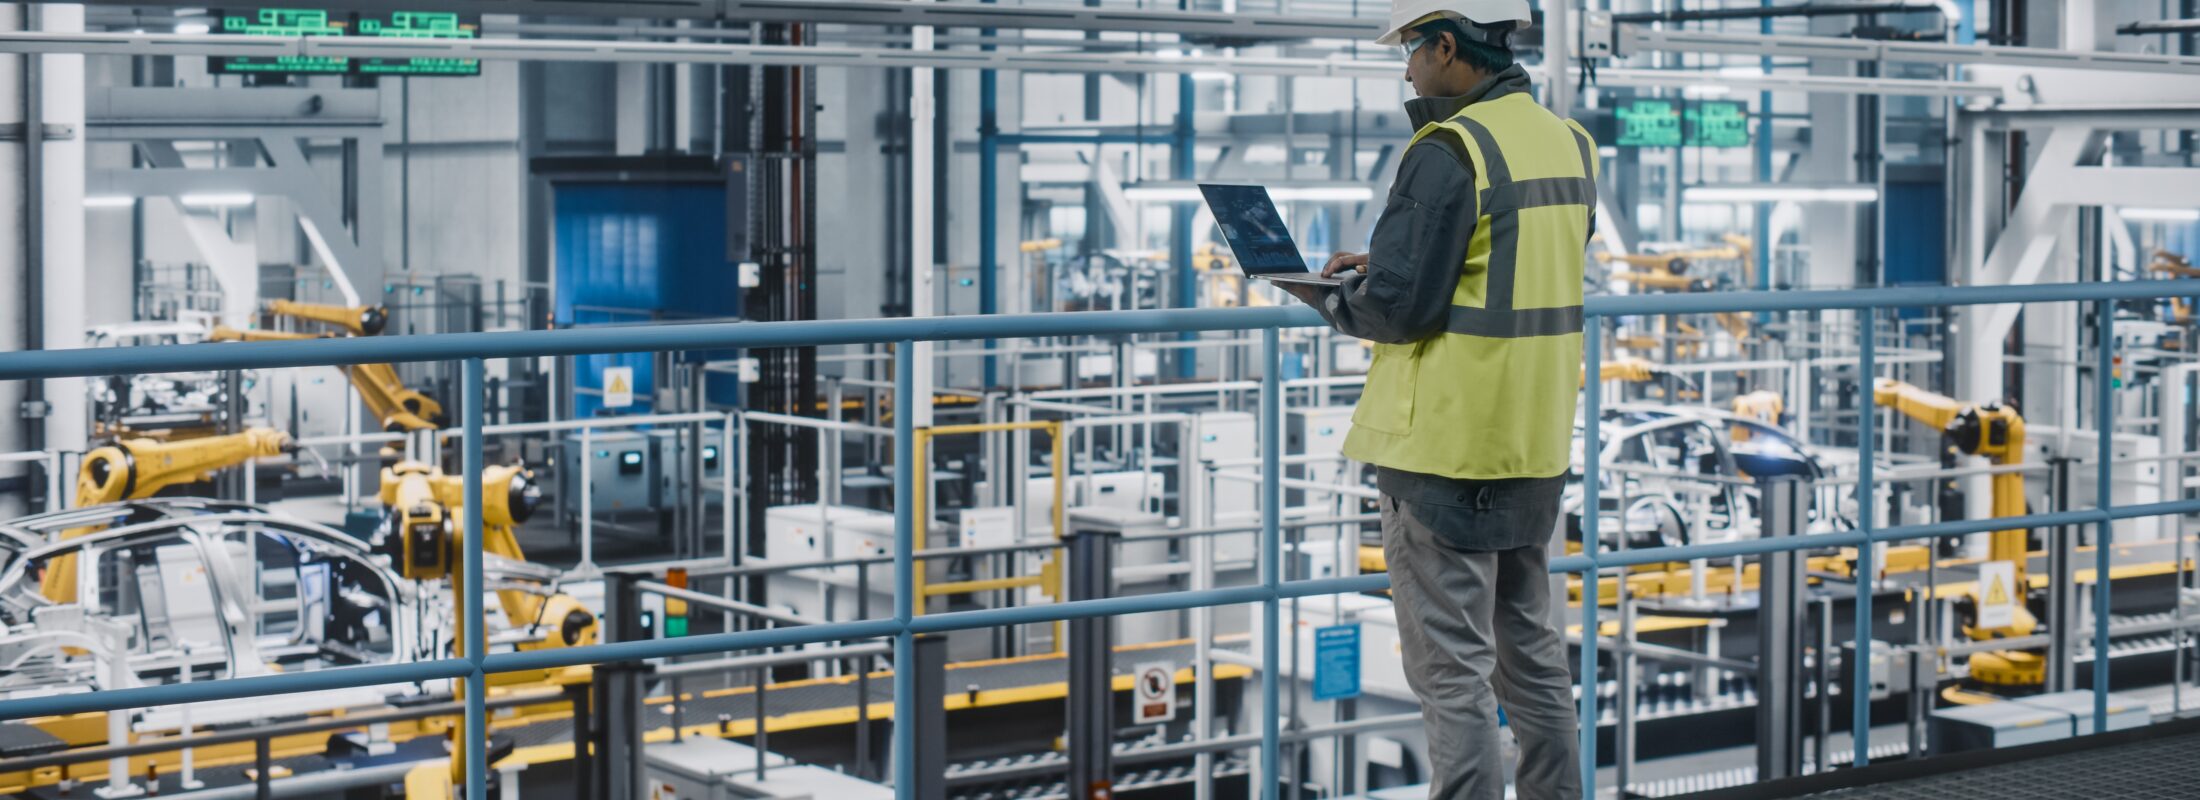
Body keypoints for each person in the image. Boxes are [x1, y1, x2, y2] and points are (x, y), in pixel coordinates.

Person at [1274, 1, 1595, 797]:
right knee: (1533, 660)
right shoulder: (1569, 142)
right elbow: (1509, 264)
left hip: (1444, 450)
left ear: (1448, 46)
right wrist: (1386, 267)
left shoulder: (1449, 147)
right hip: (1534, 438)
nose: (1407, 69)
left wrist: (1327, 293)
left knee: (1452, 678)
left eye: (1412, 51)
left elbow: (1400, 310)